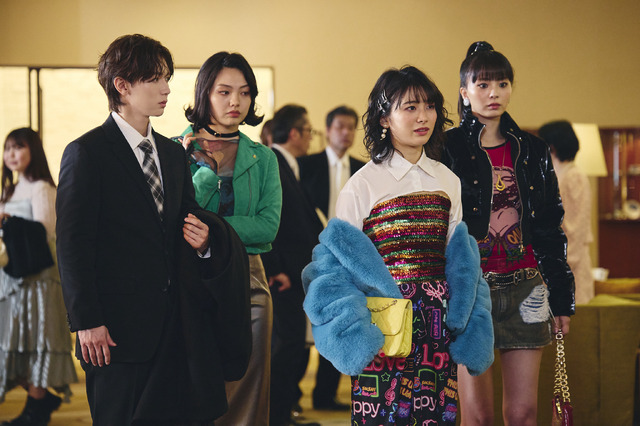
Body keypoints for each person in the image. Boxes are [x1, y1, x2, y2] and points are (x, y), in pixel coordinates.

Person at [56, 34, 250, 426]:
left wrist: (206, 241)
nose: (166, 89)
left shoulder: (173, 152)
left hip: (176, 326)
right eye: (154, 79)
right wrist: (87, 321)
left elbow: (186, 218)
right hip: (115, 331)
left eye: (167, 78)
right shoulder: (87, 152)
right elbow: (73, 244)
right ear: (122, 86)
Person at [304, 65, 494, 425]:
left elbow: (462, 261)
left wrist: (469, 323)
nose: (423, 117)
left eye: (430, 106)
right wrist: (354, 335)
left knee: (436, 415)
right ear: (384, 119)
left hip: (437, 323)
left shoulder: (448, 180)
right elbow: (334, 268)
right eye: (410, 107)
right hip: (382, 325)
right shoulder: (362, 185)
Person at [442, 41, 575, 425]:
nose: (494, 93)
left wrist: (562, 297)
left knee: (523, 413)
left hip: (527, 287)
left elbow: (549, 225)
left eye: (502, 84)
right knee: (477, 416)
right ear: (465, 92)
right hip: (471, 290)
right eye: (482, 84)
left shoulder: (532, 149)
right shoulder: (447, 148)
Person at [177, 51, 282, 426]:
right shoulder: (176, 150)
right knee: (192, 387)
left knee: (248, 388)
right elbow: (178, 220)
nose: (235, 101)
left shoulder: (263, 157)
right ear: (204, 94)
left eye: (244, 92)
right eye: (224, 91)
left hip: (249, 279)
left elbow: (267, 227)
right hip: (189, 281)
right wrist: (207, 172)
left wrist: (213, 231)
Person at [0, 128, 77, 426]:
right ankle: (41, 401)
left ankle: (36, 408)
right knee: (13, 341)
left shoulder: (42, 188)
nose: (11, 154)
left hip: (38, 278)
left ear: (33, 151)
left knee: (36, 341)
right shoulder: (9, 191)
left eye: (18, 147)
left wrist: (8, 220)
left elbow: (45, 232)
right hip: (12, 278)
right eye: (7, 148)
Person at [297, 105, 364, 411]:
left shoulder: (363, 169)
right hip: (310, 256)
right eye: (340, 126)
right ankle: (293, 396)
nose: (346, 132)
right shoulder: (306, 165)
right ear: (327, 130)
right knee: (303, 327)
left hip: (347, 259)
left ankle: (326, 395)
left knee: (341, 321)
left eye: (351, 127)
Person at [260, 104, 323, 426]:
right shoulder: (272, 161)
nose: (311, 137)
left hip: (295, 273)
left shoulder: (289, 165)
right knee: (285, 347)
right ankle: (276, 417)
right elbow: (268, 218)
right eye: (309, 130)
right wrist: (275, 269)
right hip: (283, 276)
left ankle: (283, 414)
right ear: (295, 133)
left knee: (292, 346)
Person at [539, 120, 594, 304]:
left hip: (570, 263)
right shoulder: (554, 173)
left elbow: (578, 226)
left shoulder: (574, 176)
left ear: (552, 145)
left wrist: (563, 264)